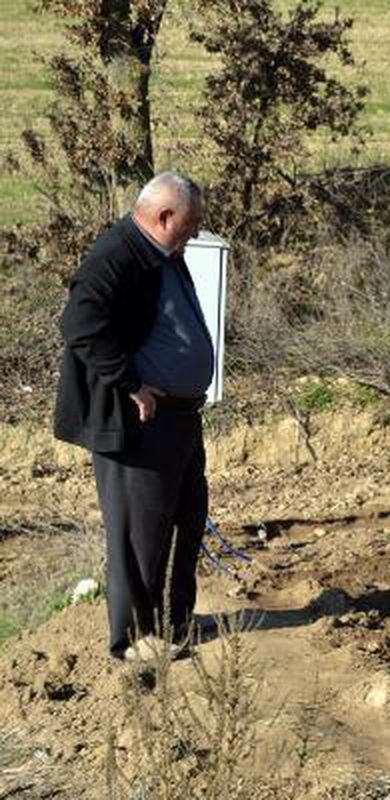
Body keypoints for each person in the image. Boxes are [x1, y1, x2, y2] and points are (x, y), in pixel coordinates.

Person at [54, 172, 212, 661]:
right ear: (163, 217)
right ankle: (135, 637)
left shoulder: (162, 252)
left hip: (178, 416)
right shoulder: (117, 254)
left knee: (186, 518)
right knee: (139, 532)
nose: (193, 235)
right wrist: (129, 382)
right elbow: (80, 323)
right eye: (188, 226)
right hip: (139, 421)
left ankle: (174, 621)